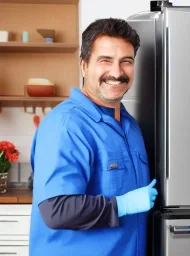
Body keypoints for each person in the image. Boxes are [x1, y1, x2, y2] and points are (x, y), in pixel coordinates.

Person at [29, 18, 158, 256]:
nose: (117, 72)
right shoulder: (67, 125)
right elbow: (56, 210)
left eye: (126, 62)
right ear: (84, 65)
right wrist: (124, 204)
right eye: (105, 61)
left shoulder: (130, 126)